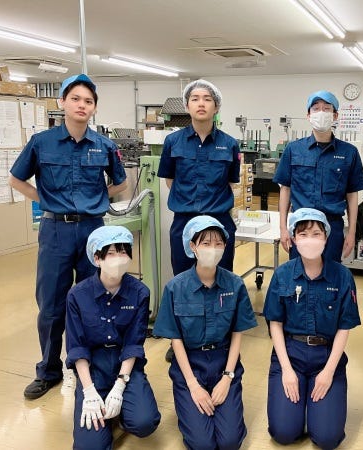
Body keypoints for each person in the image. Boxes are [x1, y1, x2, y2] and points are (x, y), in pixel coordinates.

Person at [9, 73, 127, 399]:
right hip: (55, 231)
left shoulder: (104, 146)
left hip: (93, 230)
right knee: (51, 305)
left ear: (94, 108)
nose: (81, 105)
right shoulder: (41, 143)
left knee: (93, 300)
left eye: (88, 101)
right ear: (62, 102)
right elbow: (16, 179)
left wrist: (98, 199)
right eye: (75, 99)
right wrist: (45, 200)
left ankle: (87, 367)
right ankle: (48, 371)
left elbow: (120, 182)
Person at [153, 216, 257, 450]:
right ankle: (191, 409)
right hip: (190, 364)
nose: (213, 249)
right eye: (206, 243)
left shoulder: (235, 285)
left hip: (223, 361)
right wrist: (192, 385)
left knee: (230, 442)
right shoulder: (175, 287)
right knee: (203, 444)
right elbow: (175, 340)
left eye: (218, 243)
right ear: (193, 246)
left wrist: (227, 377)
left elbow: (238, 333)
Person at [262, 208, 361, 449]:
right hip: (291, 355)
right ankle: (298, 410)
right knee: (283, 433)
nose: (310, 240)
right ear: (294, 239)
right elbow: (275, 323)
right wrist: (286, 369)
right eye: (303, 234)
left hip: (326, 357)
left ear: (326, 237)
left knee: (327, 439)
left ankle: (316, 410)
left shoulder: (342, 276)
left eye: (316, 234)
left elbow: (344, 326)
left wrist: (328, 372)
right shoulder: (283, 274)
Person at [158, 79, 240, 362]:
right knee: (183, 281)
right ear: (187, 106)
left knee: (221, 281)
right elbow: (170, 180)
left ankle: (220, 337)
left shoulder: (229, 144)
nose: (201, 103)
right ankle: (180, 340)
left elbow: (231, 182)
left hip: (219, 223)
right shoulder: (173, 142)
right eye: (195, 98)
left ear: (216, 106)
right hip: (185, 223)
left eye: (207, 99)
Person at [66, 226, 161, 449]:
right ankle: (97, 404)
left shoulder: (140, 292)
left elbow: (133, 343)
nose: (118, 259)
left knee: (144, 422)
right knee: (90, 447)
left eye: (123, 252)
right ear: (97, 258)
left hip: (125, 364)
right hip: (93, 368)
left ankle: (122, 408)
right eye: (111, 253)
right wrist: (88, 391)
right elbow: (77, 347)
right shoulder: (77, 295)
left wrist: (120, 385)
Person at [273, 90, 363, 263]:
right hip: (301, 226)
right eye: (316, 108)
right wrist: (283, 229)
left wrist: (352, 232)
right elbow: (285, 189)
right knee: (299, 271)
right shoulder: (293, 149)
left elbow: (352, 194)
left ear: (335, 115)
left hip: (333, 226)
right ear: (308, 115)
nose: (321, 113)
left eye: (327, 108)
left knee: (330, 272)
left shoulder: (349, 152)